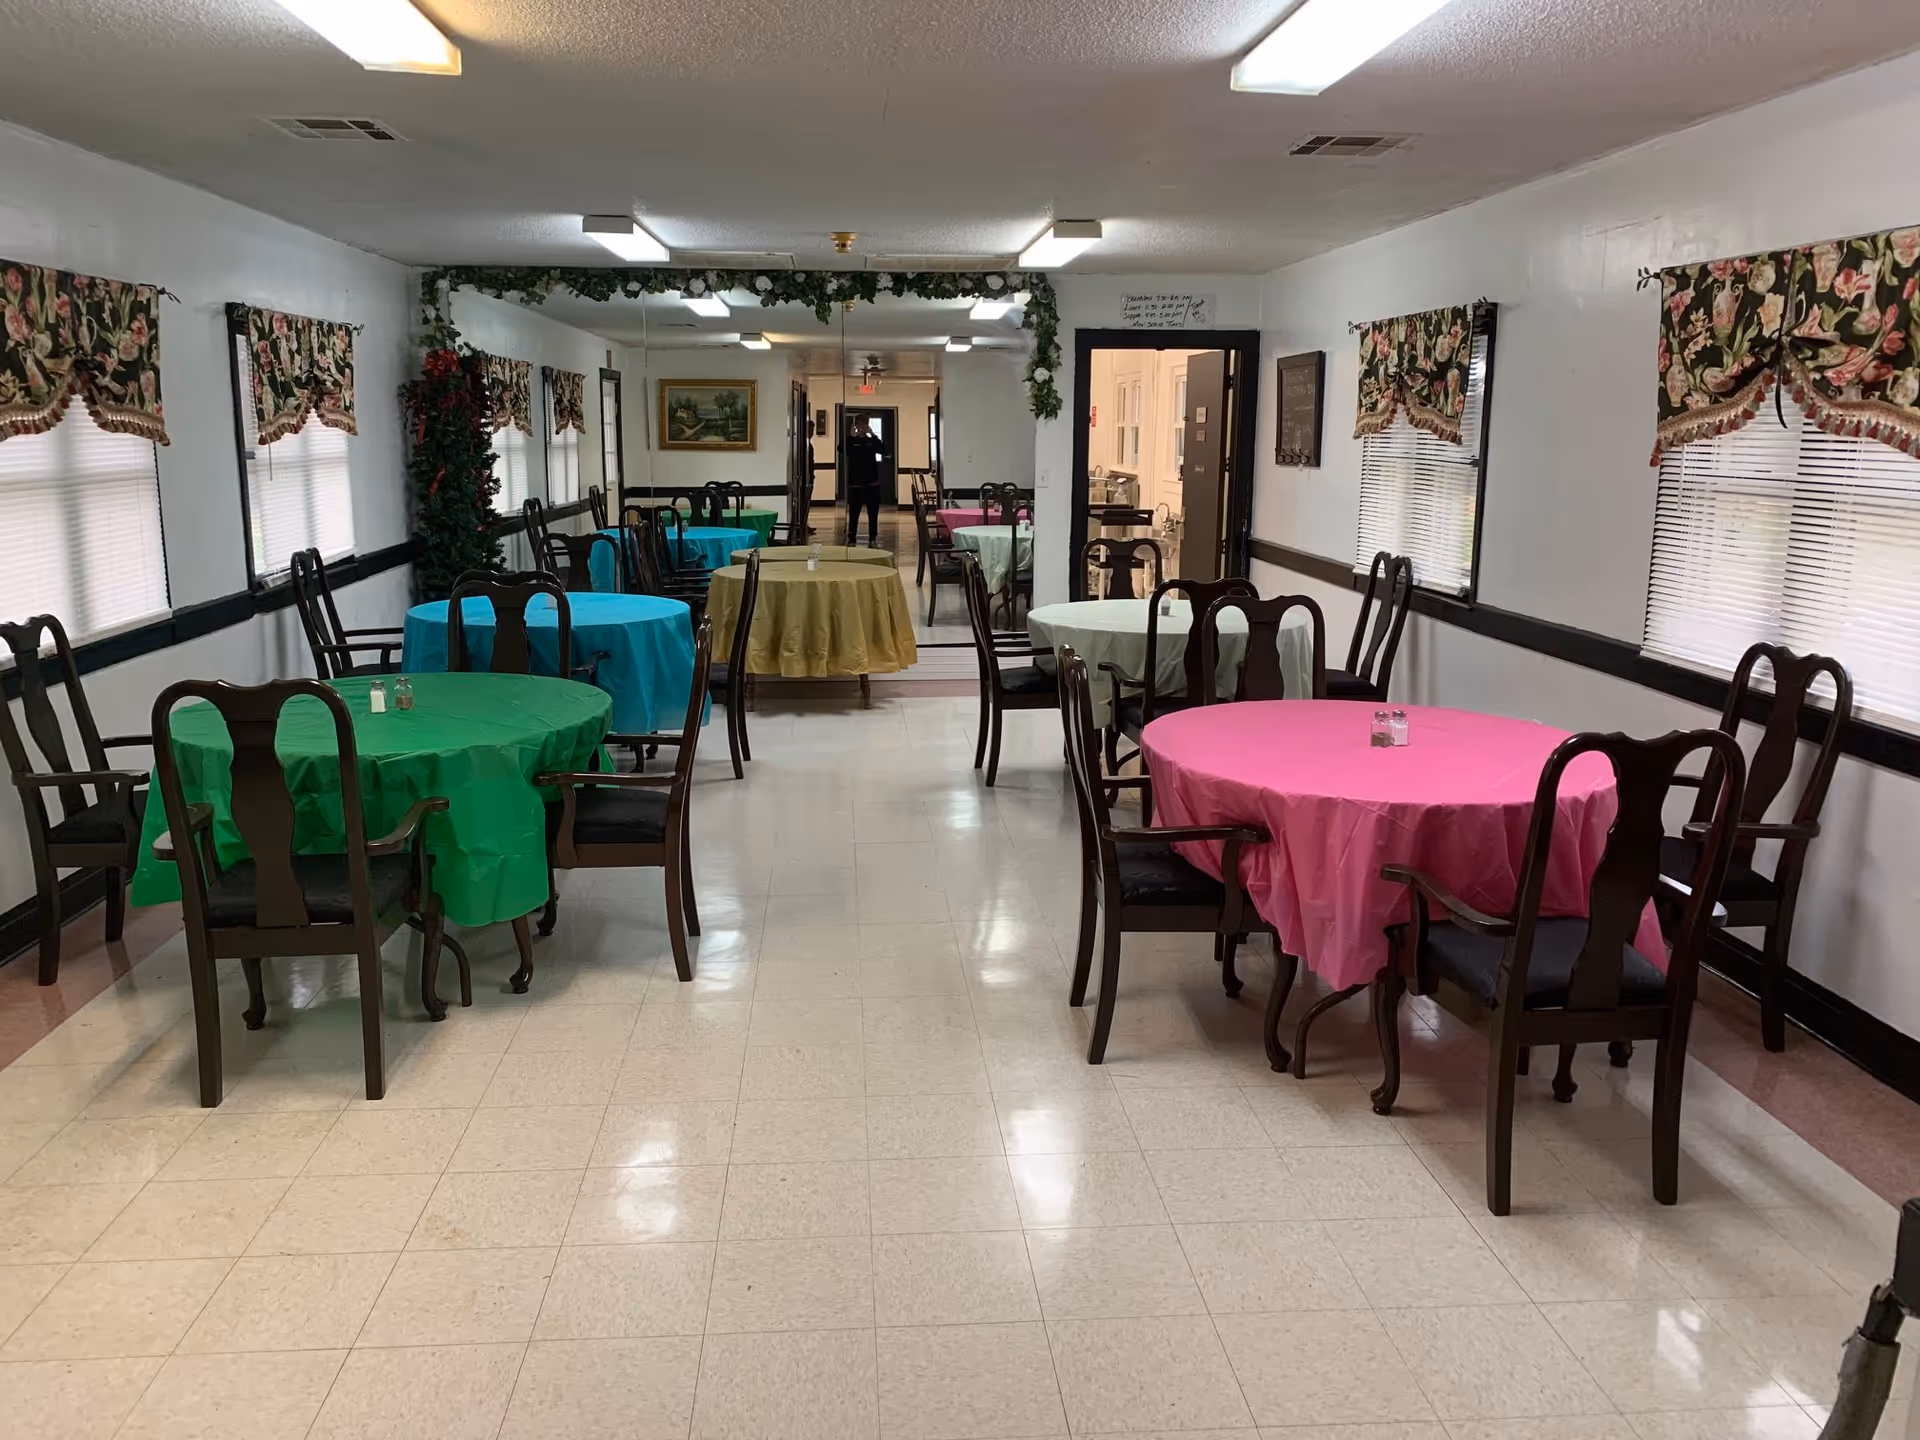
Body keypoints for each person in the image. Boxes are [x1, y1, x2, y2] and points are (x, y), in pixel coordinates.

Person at [843, 417, 886, 547]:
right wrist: (851, 436)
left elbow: (883, 450)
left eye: (864, 425)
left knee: (873, 514)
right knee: (854, 513)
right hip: (855, 485)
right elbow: (841, 449)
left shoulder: (871, 441)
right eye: (859, 426)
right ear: (855, 426)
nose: (862, 428)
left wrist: (873, 434)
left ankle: (872, 538)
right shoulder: (851, 442)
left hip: (872, 484)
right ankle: (852, 538)